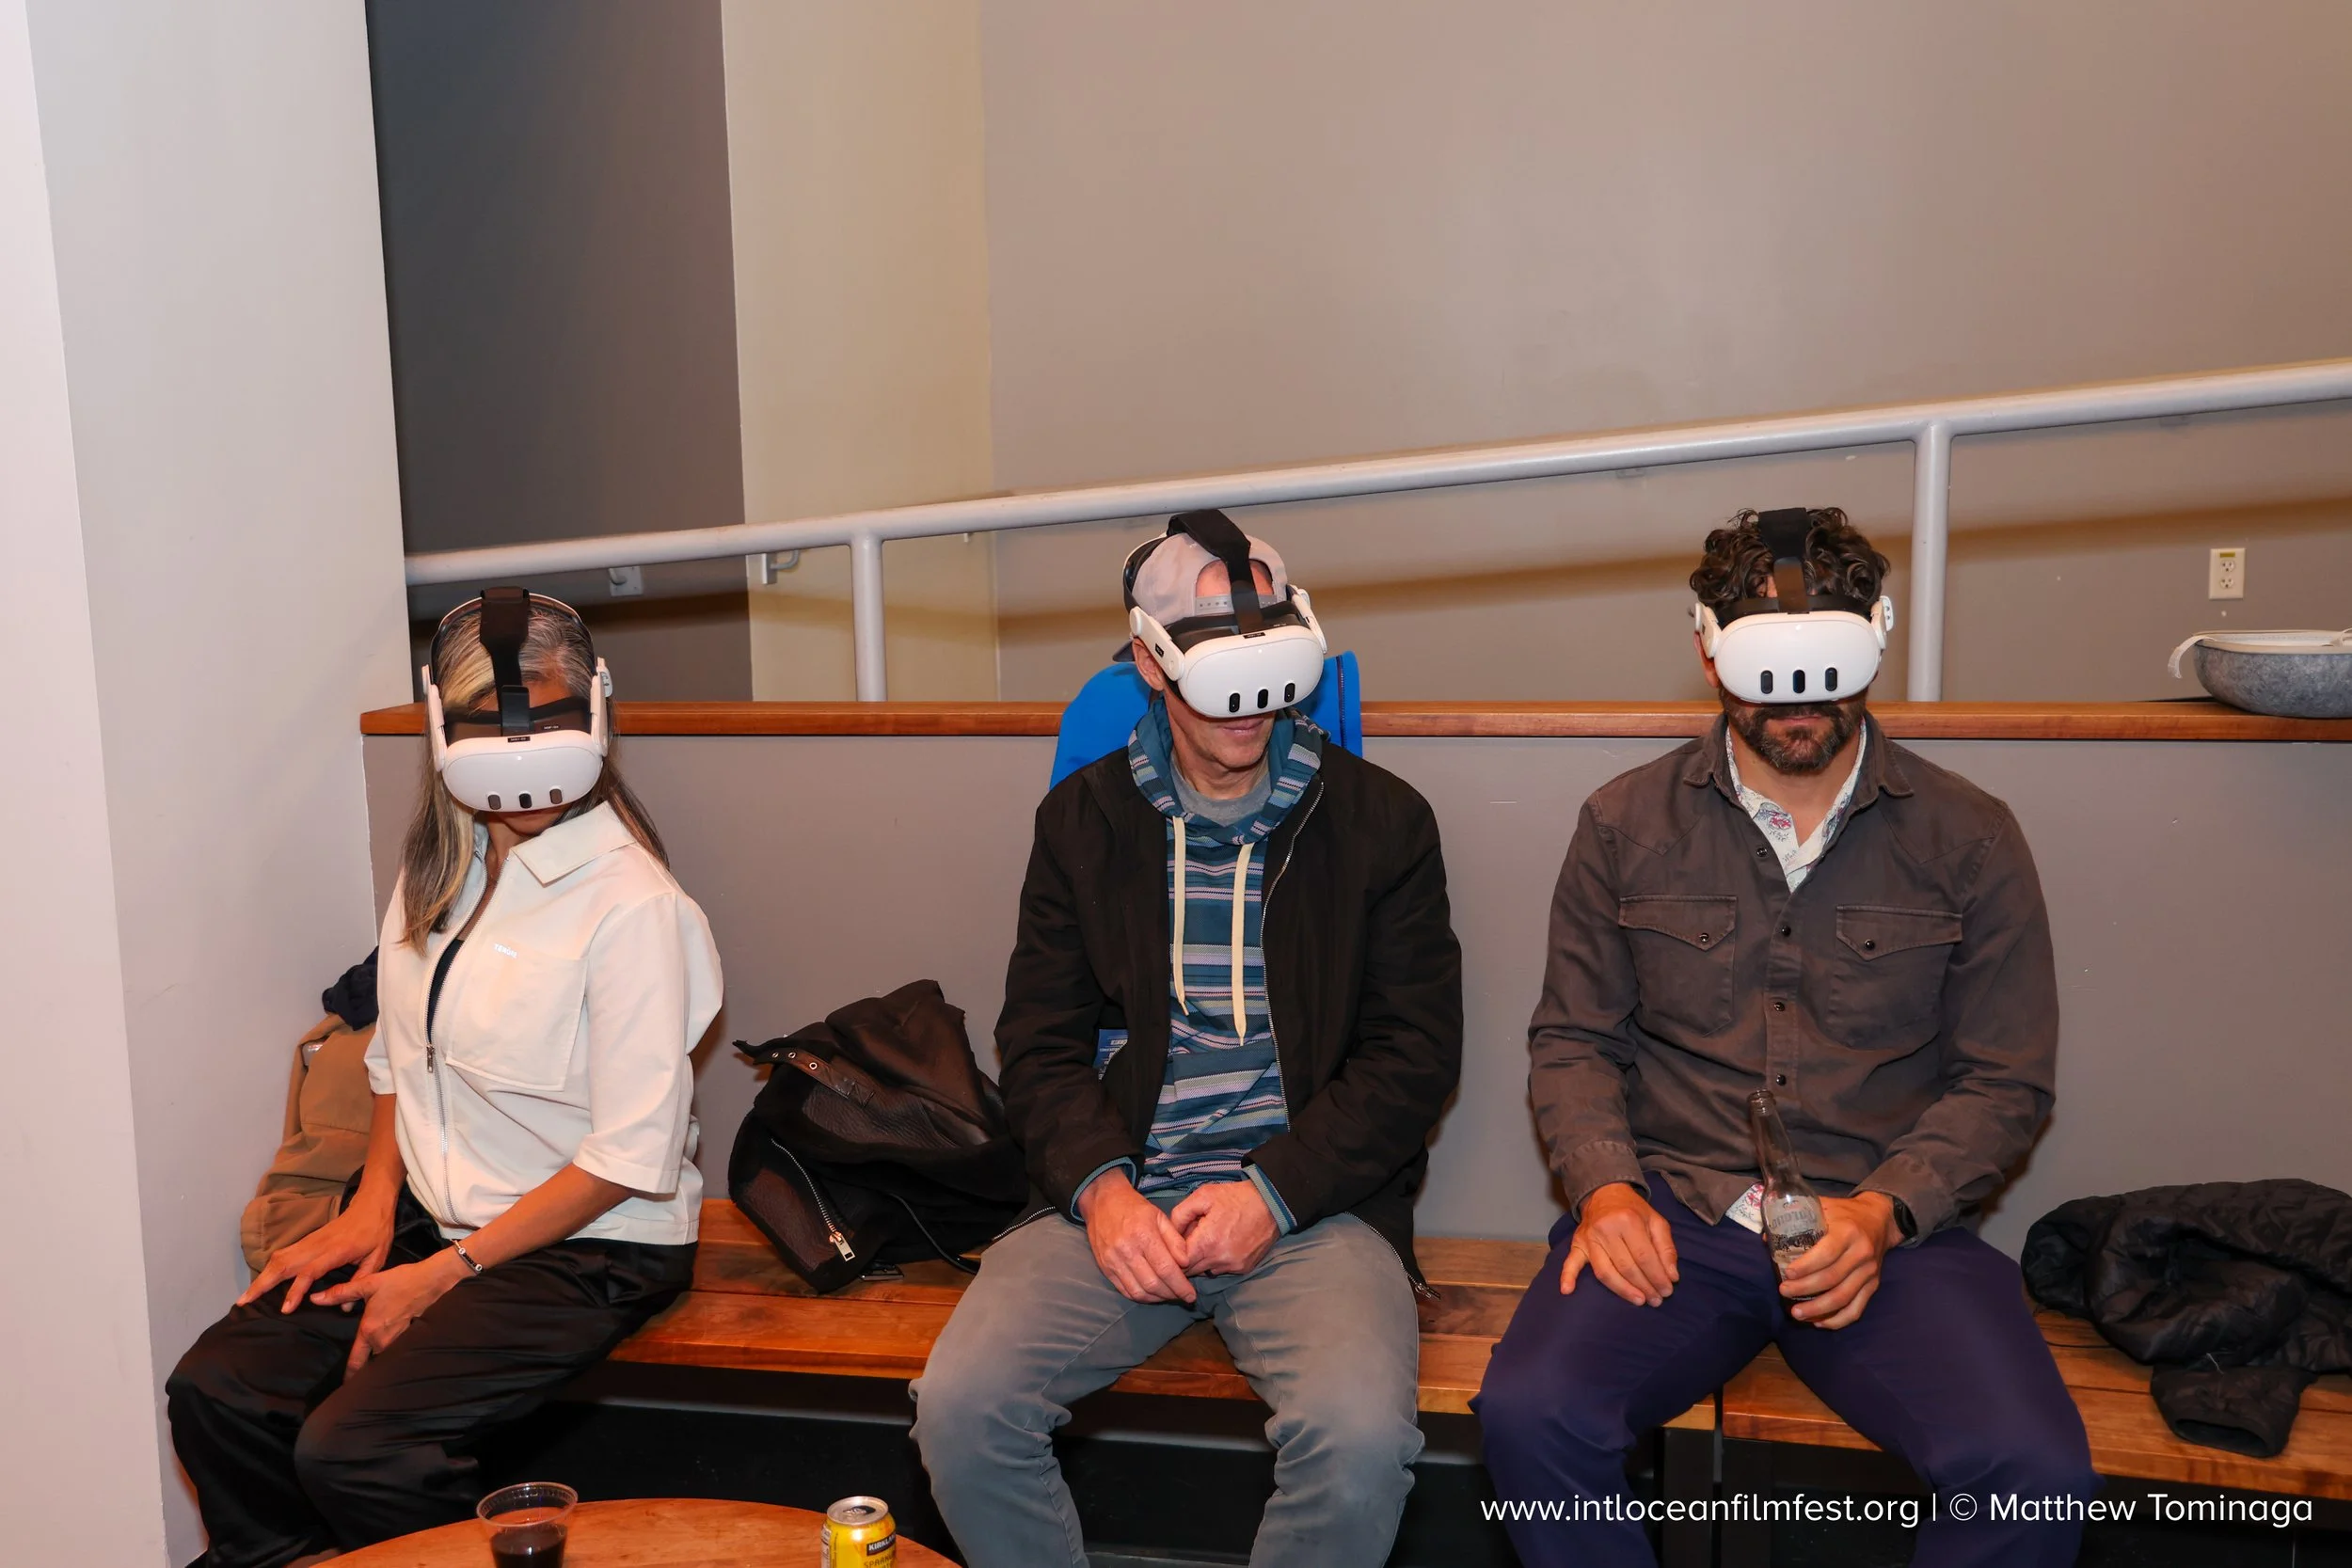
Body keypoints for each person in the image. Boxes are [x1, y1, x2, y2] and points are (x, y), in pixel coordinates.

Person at [1475, 509, 2101, 1567]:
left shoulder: (1969, 835)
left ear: (1873, 642)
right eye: (1768, 666)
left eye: (1825, 664)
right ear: (1708, 649)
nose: (1799, 701)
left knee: (2032, 1473)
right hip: (1682, 1213)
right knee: (1533, 1413)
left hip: (1885, 1228)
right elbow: (1574, 1039)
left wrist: (1883, 1213)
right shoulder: (1624, 823)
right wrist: (1606, 1189)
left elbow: (2004, 1078)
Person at [912, 513, 1463, 1568]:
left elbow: (1414, 1051)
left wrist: (1274, 1191)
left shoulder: (1381, 822)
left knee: (1356, 1443)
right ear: (1149, 661)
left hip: (1310, 1205)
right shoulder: (1083, 822)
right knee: (964, 1410)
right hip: (1124, 1196)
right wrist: (1103, 1192)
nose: (1247, 705)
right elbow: (1039, 1042)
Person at [167, 591, 722, 1568]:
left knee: (358, 1449)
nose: (522, 754)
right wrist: (372, 1206)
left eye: (547, 719)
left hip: (588, 1244)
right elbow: (399, 1059)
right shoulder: (436, 874)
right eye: (489, 727)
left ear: (596, 711)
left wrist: (441, 1274)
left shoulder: (635, 905)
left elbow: (625, 1158)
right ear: (443, 726)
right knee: (220, 1388)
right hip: (433, 1217)